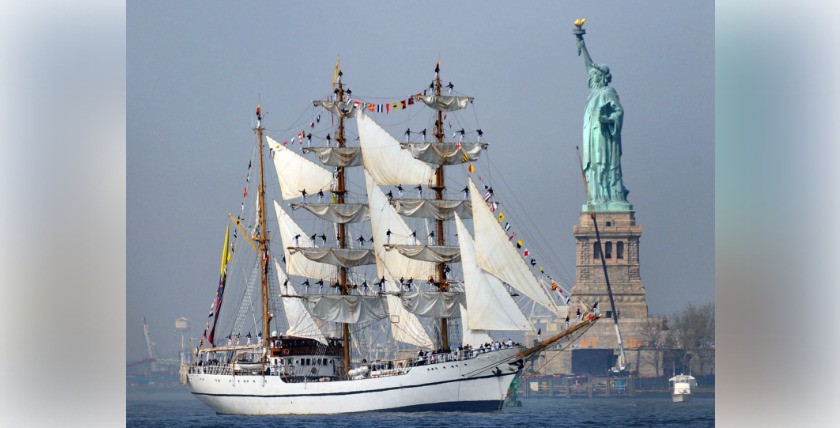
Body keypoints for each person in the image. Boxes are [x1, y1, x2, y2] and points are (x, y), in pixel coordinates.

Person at [575, 32, 630, 208]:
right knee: (593, 167)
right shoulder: (594, 94)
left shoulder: (608, 92)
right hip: (592, 137)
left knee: (603, 164)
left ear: (603, 76)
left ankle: (609, 198)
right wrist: (581, 44)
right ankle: (597, 198)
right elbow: (588, 66)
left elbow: (619, 112)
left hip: (605, 138)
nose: (592, 77)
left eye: (595, 75)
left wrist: (608, 120)